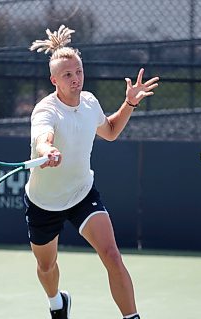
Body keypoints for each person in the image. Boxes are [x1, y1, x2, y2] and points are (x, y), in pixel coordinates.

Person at [25, 25, 159, 319]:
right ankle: (57, 302)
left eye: (78, 72)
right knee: (47, 267)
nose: (75, 79)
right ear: (54, 80)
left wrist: (129, 103)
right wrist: (49, 151)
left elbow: (109, 131)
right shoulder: (45, 110)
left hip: (83, 193)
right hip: (44, 202)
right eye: (67, 75)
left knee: (112, 255)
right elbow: (42, 138)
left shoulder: (89, 102)